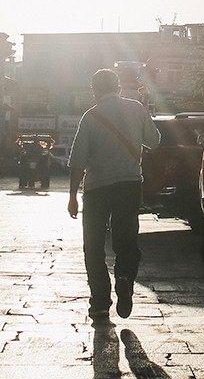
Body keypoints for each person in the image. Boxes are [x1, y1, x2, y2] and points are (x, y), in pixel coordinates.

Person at [67, 68, 161, 320]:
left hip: (97, 189)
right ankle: (124, 279)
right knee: (126, 241)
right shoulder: (137, 109)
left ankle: (99, 302)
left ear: (94, 90)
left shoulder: (90, 117)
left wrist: (72, 196)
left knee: (94, 247)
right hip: (129, 186)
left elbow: (77, 161)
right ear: (118, 87)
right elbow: (155, 141)